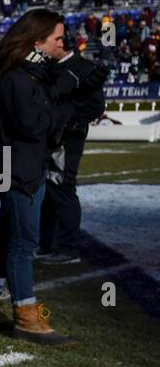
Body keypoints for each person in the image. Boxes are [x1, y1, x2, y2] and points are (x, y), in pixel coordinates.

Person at [0, 9, 76, 345]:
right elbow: (32, 126)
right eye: (57, 38)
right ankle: (26, 314)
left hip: (20, 166)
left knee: (6, 236)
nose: (62, 44)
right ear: (36, 40)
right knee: (23, 243)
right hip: (20, 169)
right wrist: (63, 107)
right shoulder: (18, 77)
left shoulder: (23, 75)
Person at [38, 45, 109, 265]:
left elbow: (96, 105)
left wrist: (69, 125)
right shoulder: (49, 67)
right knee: (48, 191)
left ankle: (67, 248)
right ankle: (45, 244)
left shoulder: (83, 67)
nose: (42, 48)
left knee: (63, 188)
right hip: (49, 137)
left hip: (67, 139)